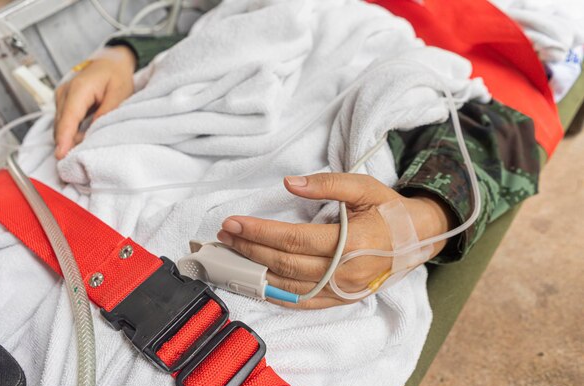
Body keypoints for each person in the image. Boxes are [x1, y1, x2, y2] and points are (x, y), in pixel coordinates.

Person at [53, 35, 540, 309]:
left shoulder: (480, 27)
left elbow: (502, 131)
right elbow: (224, 25)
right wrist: (121, 54)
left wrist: (420, 226)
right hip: (109, 173)